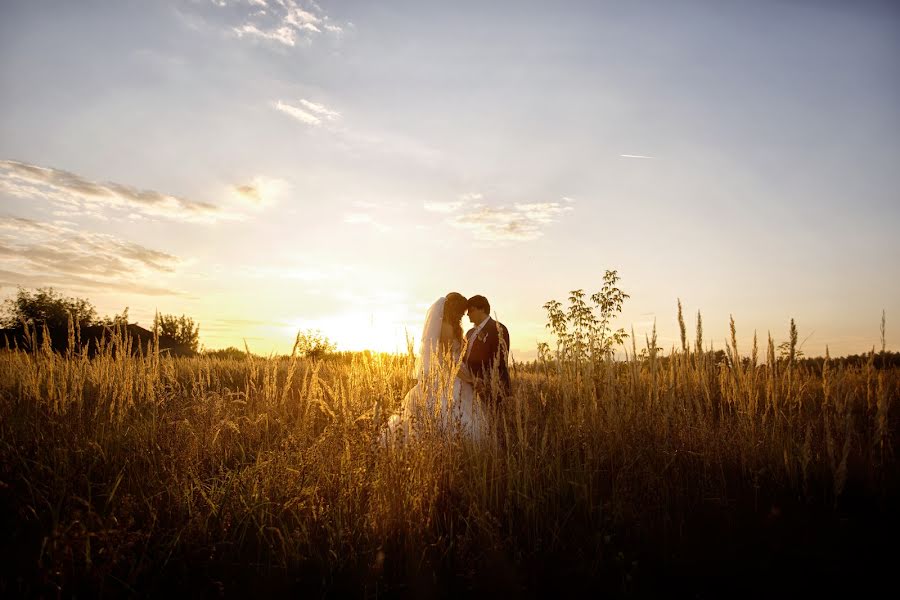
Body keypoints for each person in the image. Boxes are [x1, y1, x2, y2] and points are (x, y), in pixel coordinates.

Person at [383, 292, 484, 442]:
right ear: (454, 310)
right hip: (450, 375)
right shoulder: (446, 328)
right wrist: (468, 378)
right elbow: (448, 360)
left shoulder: (452, 326)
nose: (462, 316)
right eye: (461, 313)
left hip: (457, 370)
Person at [463, 295, 511, 405]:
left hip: (491, 390)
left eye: (471, 310)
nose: (468, 314)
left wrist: (486, 385)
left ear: (482, 309)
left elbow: (500, 363)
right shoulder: (469, 333)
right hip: (471, 388)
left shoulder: (498, 329)